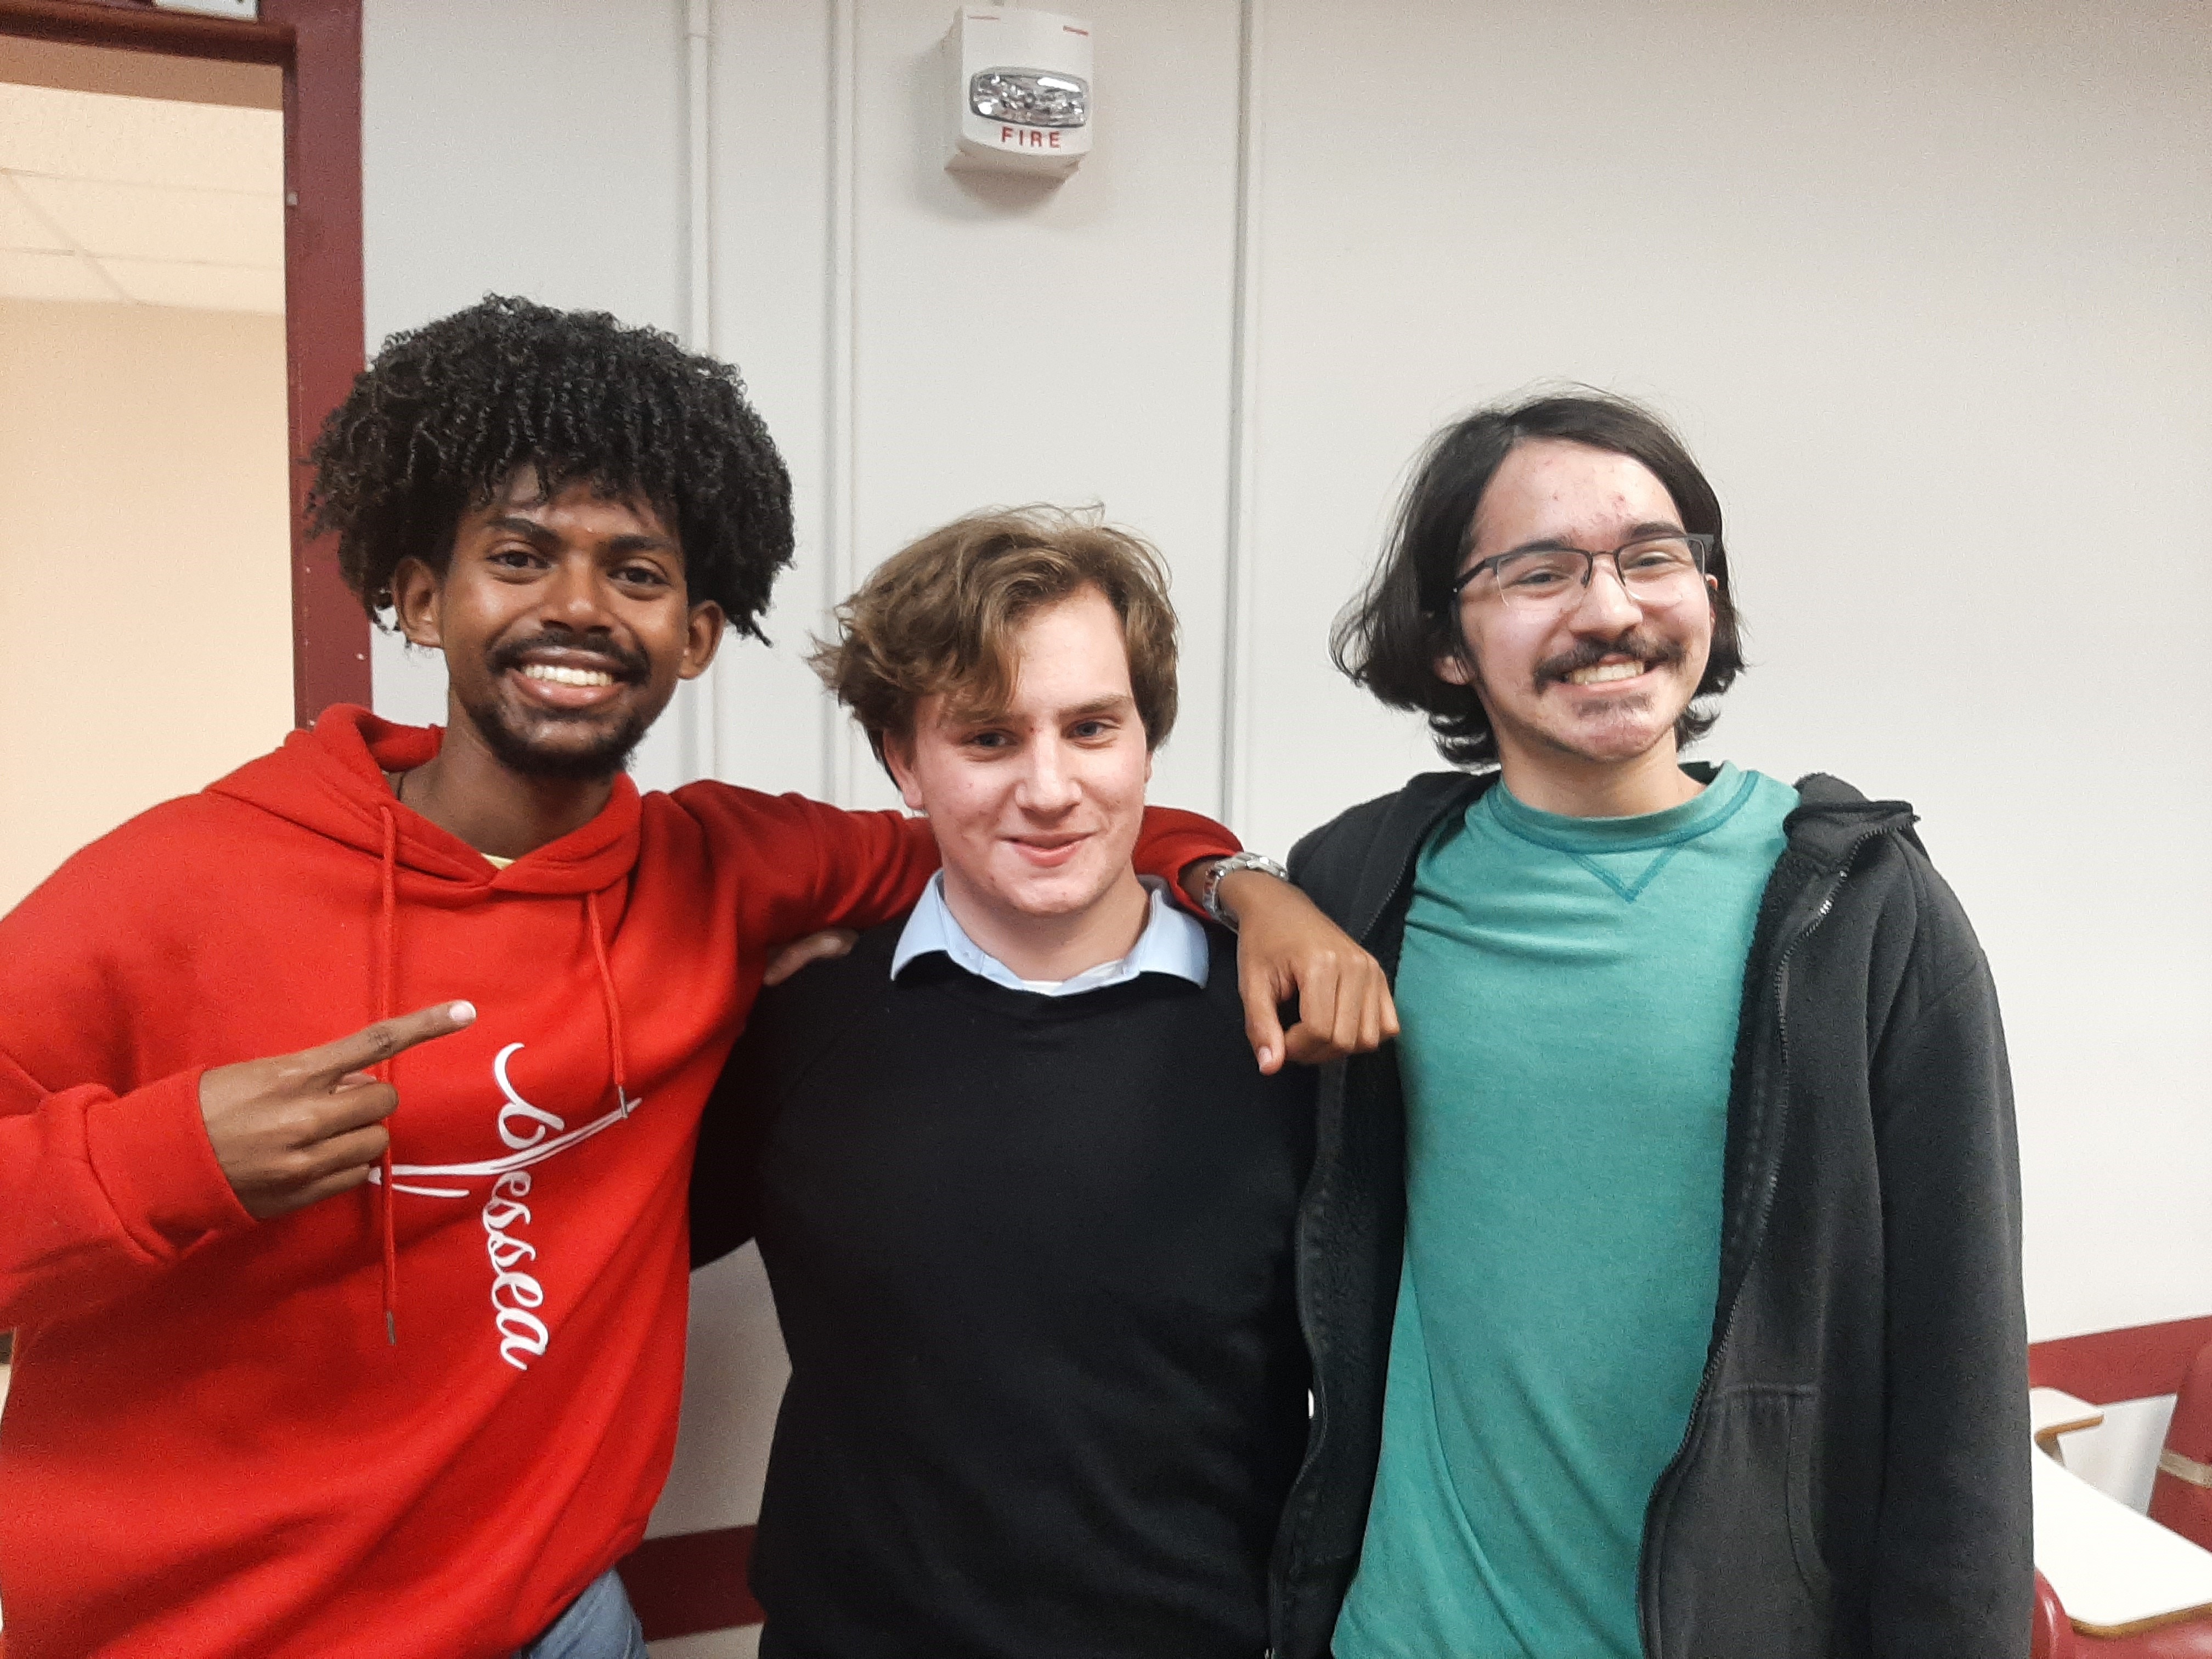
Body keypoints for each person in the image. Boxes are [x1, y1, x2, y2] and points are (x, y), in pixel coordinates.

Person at [0, 298, 1387, 1659]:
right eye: (522, 556)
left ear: (699, 632)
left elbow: (1030, 836)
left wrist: (1243, 885)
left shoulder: (723, 869)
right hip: (197, 1632)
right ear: (421, 594)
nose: (579, 609)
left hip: (556, 1619)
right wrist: (164, 1158)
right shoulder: (178, 881)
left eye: (638, 573)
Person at [1270, 392, 2031, 1659]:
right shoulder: (1367, 885)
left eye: (1654, 556)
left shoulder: (1863, 912)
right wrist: (1236, 881)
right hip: (1408, 1634)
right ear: (1449, 641)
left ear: (1709, 595)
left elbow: (1961, 1369)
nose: (1612, 610)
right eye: (1539, 571)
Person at [691, 508, 1372, 1657]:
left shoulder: (1287, 1031)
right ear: (905, 762)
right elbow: (578, 1258)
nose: (1050, 788)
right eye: (991, 739)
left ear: (1147, 742)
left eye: (1092, 728)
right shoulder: (794, 1024)